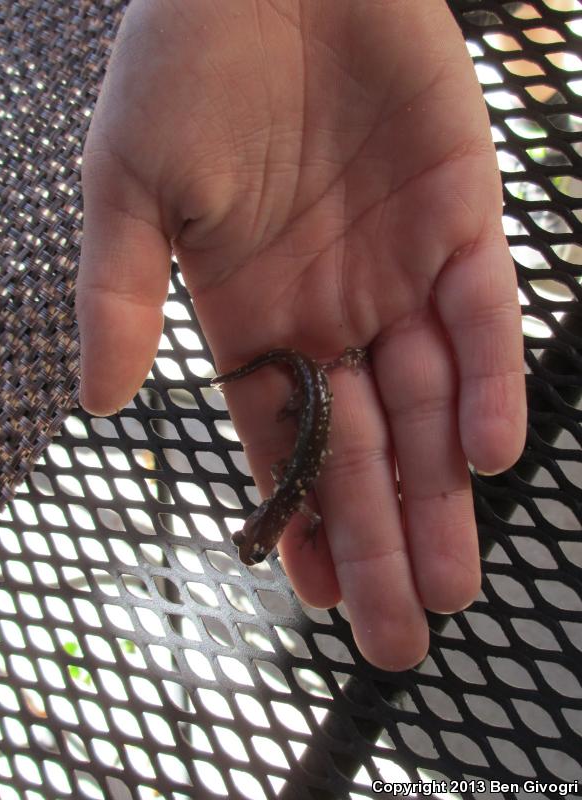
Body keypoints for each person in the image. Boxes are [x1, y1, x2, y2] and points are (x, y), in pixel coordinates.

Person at [75, 0, 527, 671]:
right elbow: (299, 477)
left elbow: (301, 480)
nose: (254, 542)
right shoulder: (287, 494)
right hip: (309, 394)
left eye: (255, 542)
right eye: (255, 543)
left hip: (315, 389)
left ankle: (293, 375)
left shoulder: (291, 497)